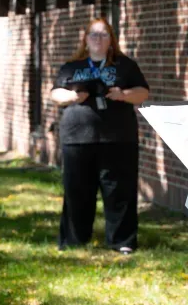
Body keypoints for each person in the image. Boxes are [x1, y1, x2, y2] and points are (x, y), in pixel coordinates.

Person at [51, 17, 150, 255]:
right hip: (77, 137)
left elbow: (142, 93)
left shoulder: (125, 65)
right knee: (77, 191)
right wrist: (73, 97)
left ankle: (122, 241)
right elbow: (55, 93)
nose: (98, 39)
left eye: (103, 34)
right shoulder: (72, 67)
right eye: (93, 34)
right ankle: (74, 239)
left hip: (118, 137)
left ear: (111, 40)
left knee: (119, 190)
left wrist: (123, 94)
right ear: (85, 40)